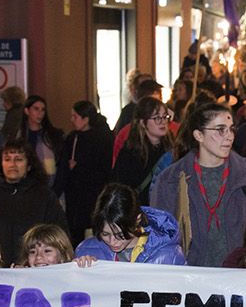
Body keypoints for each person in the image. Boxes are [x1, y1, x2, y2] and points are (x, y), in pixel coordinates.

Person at [152, 97, 246, 269]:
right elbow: (160, 239)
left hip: (239, 275)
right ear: (199, 135)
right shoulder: (171, 180)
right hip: (190, 278)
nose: (229, 137)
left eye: (231, 130)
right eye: (220, 130)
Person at [0, 140, 67, 254]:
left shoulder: (44, 196)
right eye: (7, 159)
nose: (12, 164)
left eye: (18, 159)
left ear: (29, 165)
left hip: (33, 264)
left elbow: (60, 234)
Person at [76, 183, 188, 267]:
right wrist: (75, 272)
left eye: (120, 234)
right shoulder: (86, 251)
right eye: (105, 234)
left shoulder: (169, 255)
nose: (112, 241)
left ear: (137, 220)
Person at [56, 101, 113, 242]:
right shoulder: (72, 138)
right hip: (77, 194)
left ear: (86, 119)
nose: (72, 120)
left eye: (75, 116)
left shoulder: (102, 138)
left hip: (92, 192)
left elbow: (104, 167)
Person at [112, 98, 173, 203]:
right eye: (157, 118)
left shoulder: (172, 148)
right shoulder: (130, 152)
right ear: (142, 122)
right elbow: (121, 187)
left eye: (165, 117)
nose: (163, 122)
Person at [21, 95, 63, 179]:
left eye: (43, 110)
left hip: (48, 182)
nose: (40, 113)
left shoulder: (53, 135)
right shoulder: (20, 135)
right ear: (27, 111)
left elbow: (61, 163)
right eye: (36, 109)